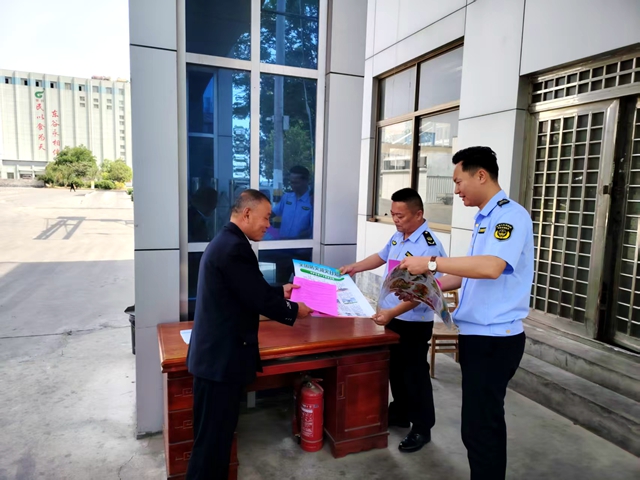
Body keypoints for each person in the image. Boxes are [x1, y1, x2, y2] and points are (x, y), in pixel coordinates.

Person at [399, 146, 534, 480]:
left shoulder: (509, 216)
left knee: (481, 427)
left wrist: (431, 262)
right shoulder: (485, 219)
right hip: (477, 337)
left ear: (481, 175)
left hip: (495, 340)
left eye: (459, 181)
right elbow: (468, 274)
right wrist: (425, 287)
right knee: (476, 425)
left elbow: (491, 267)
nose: (456, 189)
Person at [186, 189, 313, 480]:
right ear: (247, 213)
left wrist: (280, 291)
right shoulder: (234, 248)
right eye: (266, 218)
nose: (269, 224)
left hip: (216, 359)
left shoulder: (228, 241)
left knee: (216, 440)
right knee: (211, 444)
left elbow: (246, 289)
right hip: (219, 363)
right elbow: (257, 299)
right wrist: (295, 310)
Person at [340, 188, 447, 453]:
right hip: (391, 316)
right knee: (395, 370)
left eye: (401, 216)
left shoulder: (429, 246)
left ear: (419, 214)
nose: (396, 220)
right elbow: (381, 256)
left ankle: (422, 427)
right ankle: (400, 413)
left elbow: (425, 292)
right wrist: (354, 267)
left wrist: (392, 312)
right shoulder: (399, 236)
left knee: (414, 374)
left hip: (412, 320)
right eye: (392, 215)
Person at [272, 165, 313, 239]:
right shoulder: (287, 197)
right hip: (282, 242)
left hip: (301, 244)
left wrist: (296, 238)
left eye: (296, 183)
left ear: (305, 181)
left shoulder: (312, 200)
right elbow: (273, 212)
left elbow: (313, 228)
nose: (292, 185)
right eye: (291, 182)